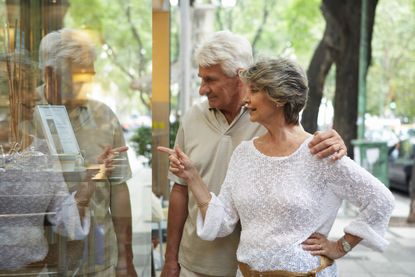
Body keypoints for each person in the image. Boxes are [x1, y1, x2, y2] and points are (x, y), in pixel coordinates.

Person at [160, 57, 395, 276]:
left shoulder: (320, 152)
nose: (245, 99)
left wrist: (340, 246)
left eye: (253, 91)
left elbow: (380, 201)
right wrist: (192, 176)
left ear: (279, 97)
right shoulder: (244, 154)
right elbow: (222, 223)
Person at [36, 29, 137, 277]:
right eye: (79, 77)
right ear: (50, 74)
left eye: (89, 75)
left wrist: (125, 258)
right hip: (41, 265)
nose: (88, 84)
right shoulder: (24, 114)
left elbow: (118, 190)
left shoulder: (104, 117)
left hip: (98, 261)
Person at [0, 51, 92, 275]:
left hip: (35, 272)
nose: (35, 96)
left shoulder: (42, 151)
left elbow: (62, 217)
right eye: (27, 87)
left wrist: (85, 192)